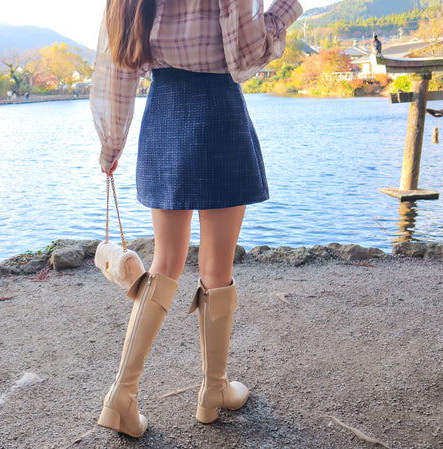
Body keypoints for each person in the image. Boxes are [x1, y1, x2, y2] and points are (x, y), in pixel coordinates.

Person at [90, 0, 303, 438]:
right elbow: (245, 55)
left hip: (163, 115)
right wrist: (283, 11)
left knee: (165, 261)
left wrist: (111, 146)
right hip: (219, 112)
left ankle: (121, 397)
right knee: (216, 267)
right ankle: (213, 390)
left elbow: (117, 68)